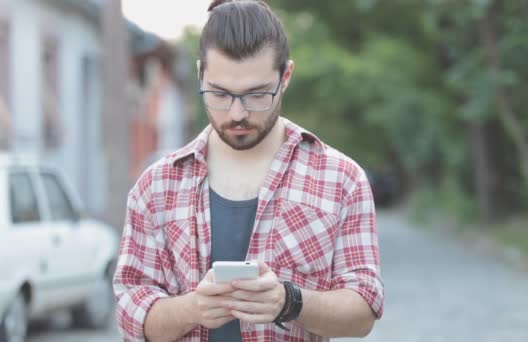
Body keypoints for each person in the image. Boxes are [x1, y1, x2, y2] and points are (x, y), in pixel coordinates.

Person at [113, 1, 384, 341]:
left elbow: (363, 312)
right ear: (200, 74)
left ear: (285, 77)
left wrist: (290, 301)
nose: (237, 113)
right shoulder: (155, 187)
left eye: (256, 95)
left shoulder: (342, 179)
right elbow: (130, 315)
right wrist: (193, 308)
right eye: (220, 94)